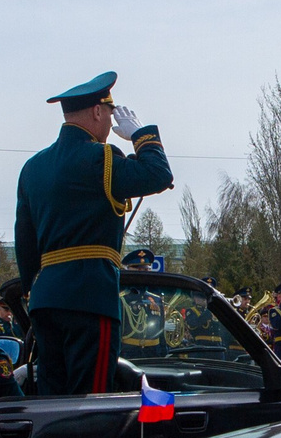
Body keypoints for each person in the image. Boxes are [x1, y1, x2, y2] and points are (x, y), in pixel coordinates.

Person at [13, 70, 173, 394]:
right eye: (111, 113)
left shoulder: (32, 168)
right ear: (98, 111)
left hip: (45, 301)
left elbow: (25, 246)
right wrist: (141, 135)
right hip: (90, 297)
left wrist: (36, 290)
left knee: (52, 398)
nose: (112, 123)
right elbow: (158, 174)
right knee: (91, 402)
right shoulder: (102, 158)